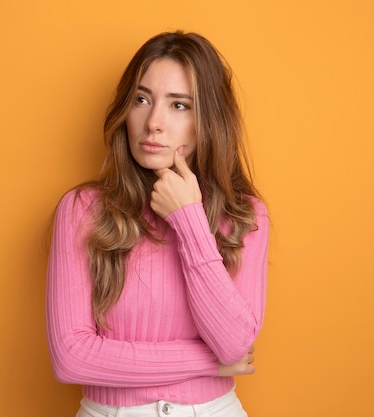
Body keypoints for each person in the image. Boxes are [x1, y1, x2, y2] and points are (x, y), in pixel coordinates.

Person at [46, 30, 269, 417]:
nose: (154, 123)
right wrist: (208, 363)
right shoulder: (82, 210)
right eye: (142, 99)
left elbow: (234, 345)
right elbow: (72, 357)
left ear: (208, 120)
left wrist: (189, 220)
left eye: (179, 105)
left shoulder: (245, 216)